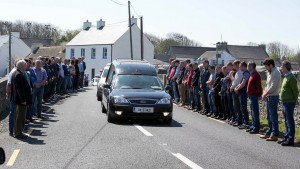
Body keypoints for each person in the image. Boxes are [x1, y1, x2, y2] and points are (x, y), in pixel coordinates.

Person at [278, 61, 299, 146]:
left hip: (289, 102)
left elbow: (296, 91)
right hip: (284, 102)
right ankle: (286, 137)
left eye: (282, 67)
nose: (281, 69)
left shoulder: (291, 77)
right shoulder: (286, 77)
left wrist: (294, 100)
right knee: (286, 121)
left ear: (286, 67)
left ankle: (290, 139)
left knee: (289, 121)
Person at [261, 58, 281, 141]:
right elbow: (267, 85)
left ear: (271, 65)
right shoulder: (269, 73)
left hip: (273, 96)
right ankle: (269, 131)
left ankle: (275, 133)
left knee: (273, 116)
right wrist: (264, 93)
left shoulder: (276, 72)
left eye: (266, 66)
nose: (265, 68)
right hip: (269, 96)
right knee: (269, 116)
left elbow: (273, 86)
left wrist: (266, 93)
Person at [12, 60, 32, 139]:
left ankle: (18, 132)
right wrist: (23, 100)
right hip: (21, 101)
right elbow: (19, 89)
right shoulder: (18, 74)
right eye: (25, 65)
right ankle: (18, 133)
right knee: (20, 117)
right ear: (22, 66)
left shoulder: (18, 73)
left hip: (20, 100)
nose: (26, 66)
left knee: (19, 117)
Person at [246, 61, 262, 134]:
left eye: (248, 66)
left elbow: (258, 86)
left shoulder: (256, 75)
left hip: (254, 95)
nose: (247, 67)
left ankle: (256, 127)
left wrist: (260, 95)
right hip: (251, 95)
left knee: (255, 112)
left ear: (252, 67)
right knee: (252, 111)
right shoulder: (251, 74)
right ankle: (253, 125)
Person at [234, 62, 250, 129]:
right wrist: (237, 87)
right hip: (241, 92)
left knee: (243, 108)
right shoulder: (244, 73)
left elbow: (243, 83)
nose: (240, 68)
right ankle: (244, 122)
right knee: (242, 108)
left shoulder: (246, 73)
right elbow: (241, 83)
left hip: (243, 93)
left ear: (244, 66)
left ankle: (246, 123)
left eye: (240, 66)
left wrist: (237, 88)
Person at [6, 60, 19, 136]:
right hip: (14, 95)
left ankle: (14, 129)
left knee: (14, 113)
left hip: (15, 95)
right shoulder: (14, 72)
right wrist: (7, 94)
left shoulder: (15, 71)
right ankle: (12, 130)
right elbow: (8, 84)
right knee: (13, 112)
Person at [230, 60, 243, 127]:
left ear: (238, 65)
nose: (234, 67)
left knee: (237, 106)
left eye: (235, 65)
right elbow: (234, 81)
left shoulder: (240, 72)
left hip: (237, 91)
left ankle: (239, 120)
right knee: (235, 106)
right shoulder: (237, 72)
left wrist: (232, 87)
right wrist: (231, 76)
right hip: (234, 90)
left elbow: (237, 82)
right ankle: (237, 119)